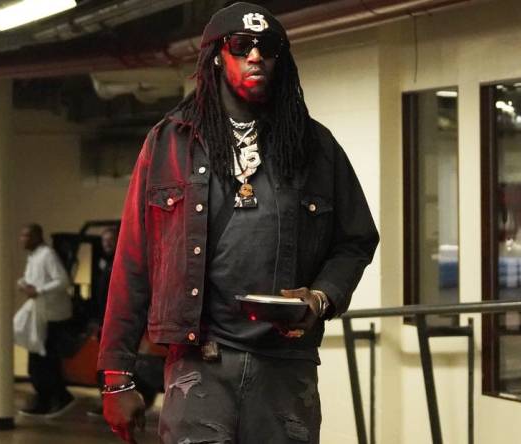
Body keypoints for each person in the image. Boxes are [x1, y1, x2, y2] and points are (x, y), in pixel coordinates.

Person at [98, 2, 379, 443]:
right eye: (240, 45)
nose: (255, 56)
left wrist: (321, 298)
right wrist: (118, 378)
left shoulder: (315, 146)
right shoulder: (170, 143)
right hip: (199, 366)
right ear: (216, 55)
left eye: (267, 48)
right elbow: (133, 263)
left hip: (285, 368)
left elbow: (357, 239)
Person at [16, 223, 76, 417]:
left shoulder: (47, 255)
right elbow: (33, 280)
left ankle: (54, 398)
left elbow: (63, 281)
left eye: (26, 236)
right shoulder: (33, 256)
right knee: (38, 360)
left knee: (45, 361)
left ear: (36, 236)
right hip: (41, 315)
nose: (22, 239)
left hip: (52, 317)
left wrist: (38, 290)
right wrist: (24, 284)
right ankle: (47, 398)